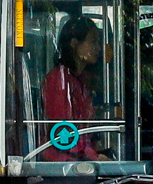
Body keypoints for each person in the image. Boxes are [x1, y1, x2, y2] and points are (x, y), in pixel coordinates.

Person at [41, 16, 108, 161]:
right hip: (63, 163)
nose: (98, 48)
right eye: (92, 42)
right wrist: (93, 157)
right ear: (74, 44)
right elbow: (64, 132)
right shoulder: (58, 79)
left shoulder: (81, 80)